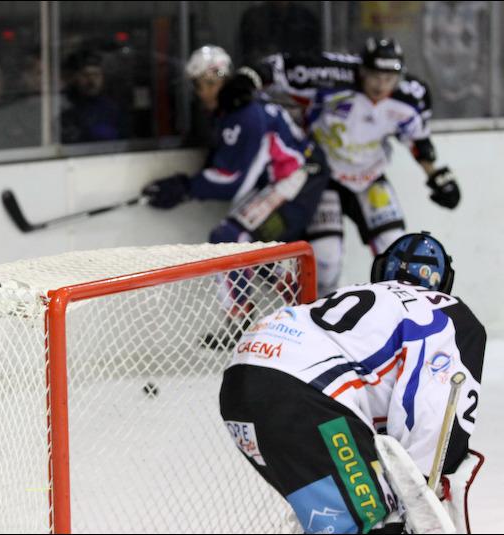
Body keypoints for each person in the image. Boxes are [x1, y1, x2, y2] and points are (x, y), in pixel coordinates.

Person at [220, 232, 486, 533]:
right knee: (376, 522)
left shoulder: (351, 294)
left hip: (240, 382)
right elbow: (432, 412)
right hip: (306, 395)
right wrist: (425, 485)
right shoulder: (444, 310)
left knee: (336, 520)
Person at [221, 38, 463, 296]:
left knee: (395, 247)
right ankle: (322, 314)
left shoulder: (411, 95)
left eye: (389, 78)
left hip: (370, 176)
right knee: (326, 259)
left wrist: (436, 175)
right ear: (362, 70)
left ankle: (400, 311)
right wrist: (250, 77)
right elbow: (280, 67)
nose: (381, 85)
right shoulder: (332, 76)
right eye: (375, 76)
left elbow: (417, 140)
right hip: (325, 178)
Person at [141, 45, 330, 346]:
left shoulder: (244, 113)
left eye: (205, 84)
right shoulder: (236, 108)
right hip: (295, 179)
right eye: (198, 85)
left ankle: (240, 321)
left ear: (219, 80)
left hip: (297, 182)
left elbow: (233, 179)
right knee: (254, 249)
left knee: (229, 238)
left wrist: (185, 187)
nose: (201, 93)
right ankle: (306, 309)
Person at [61, 49, 127, 143]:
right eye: (85, 75)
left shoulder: (113, 108)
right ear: (75, 78)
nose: (91, 81)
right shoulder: (66, 107)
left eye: (96, 75)